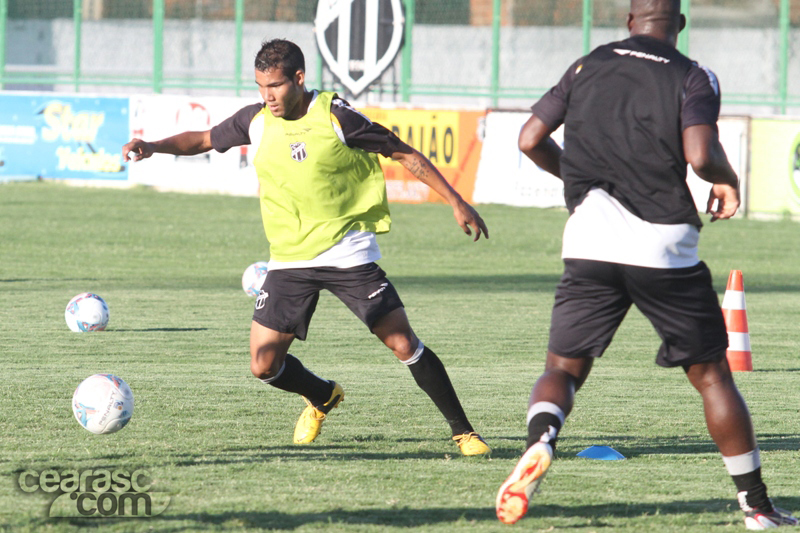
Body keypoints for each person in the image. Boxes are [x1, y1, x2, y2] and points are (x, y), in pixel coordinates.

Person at [495, 0, 797, 528]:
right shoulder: (692, 75)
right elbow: (701, 154)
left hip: (589, 240)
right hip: (663, 244)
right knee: (712, 378)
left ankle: (541, 440)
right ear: (678, 25)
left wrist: (577, 183)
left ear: (629, 21)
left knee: (562, 370)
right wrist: (728, 179)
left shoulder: (588, 63)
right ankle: (757, 507)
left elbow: (529, 139)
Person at [122, 39, 491, 456]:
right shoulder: (256, 120)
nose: (268, 96)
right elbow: (204, 138)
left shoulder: (337, 118)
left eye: (276, 86)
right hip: (290, 259)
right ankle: (322, 395)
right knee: (263, 365)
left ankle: (464, 432)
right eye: (261, 86)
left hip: (347, 252)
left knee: (403, 343)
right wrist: (153, 146)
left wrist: (456, 201)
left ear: (298, 78)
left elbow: (401, 152)